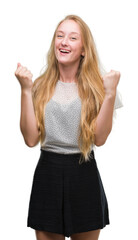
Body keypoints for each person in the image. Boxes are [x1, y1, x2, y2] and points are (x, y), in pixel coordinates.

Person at [15, 15, 123, 240]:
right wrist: (26, 90)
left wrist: (110, 94)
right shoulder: (40, 86)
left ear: (84, 49)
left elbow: (99, 139)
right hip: (48, 173)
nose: (64, 42)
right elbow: (31, 139)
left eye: (73, 37)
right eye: (60, 36)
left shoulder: (98, 88)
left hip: (84, 173)